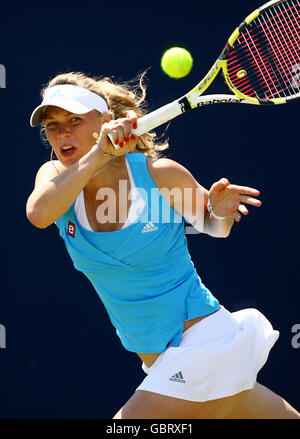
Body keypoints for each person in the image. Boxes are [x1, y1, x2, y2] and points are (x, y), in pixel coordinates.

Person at [26, 71, 299, 419]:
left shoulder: (160, 175)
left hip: (205, 342)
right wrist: (99, 153)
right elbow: (39, 213)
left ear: (106, 121)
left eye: (75, 120)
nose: (63, 132)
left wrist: (219, 209)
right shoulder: (53, 178)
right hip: (170, 364)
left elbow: (214, 227)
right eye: (53, 125)